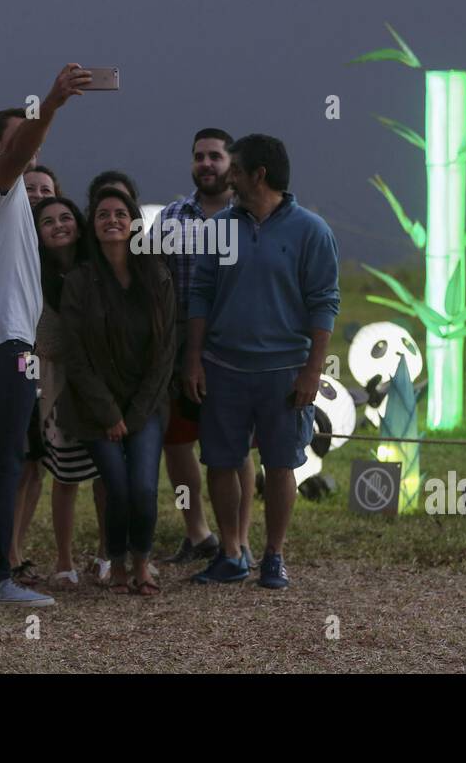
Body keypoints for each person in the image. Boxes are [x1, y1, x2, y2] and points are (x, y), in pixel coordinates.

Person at [0, 63, 90, 607]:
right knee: (4, 458)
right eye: (19, 133)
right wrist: (51, 102)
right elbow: (21, 150)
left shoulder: (6, 203)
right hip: (1, 342)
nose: (30, 145)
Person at [183, 134, 340, 589]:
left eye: (234, 168)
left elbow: (324, 302)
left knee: (281, 464)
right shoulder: (222, 228)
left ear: (259, 174)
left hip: (285, 371)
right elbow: (201, 295)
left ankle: (274, 554)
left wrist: (313, 370)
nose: (226, 175)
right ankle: (231, 552)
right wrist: (193, 360)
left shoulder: (312, 230)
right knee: (220, 460)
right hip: (223, 367)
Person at [59, 186, 175, 595]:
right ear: (94, 225)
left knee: (144, 486)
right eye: (104, 214)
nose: (112, 220)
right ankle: (118, 562)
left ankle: (143, 562)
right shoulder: (79, 282)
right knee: (117, 487)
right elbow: (74, 355)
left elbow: (165, 354)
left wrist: (137, 414)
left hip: (146, 405)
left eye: (121, 214)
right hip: (96, 409)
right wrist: (109, 413)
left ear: (133, 224)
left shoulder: (157, 276)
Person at [153, 128, 257, 568]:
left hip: (234, 348)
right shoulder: (172, 217)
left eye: (215, 156)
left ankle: (242, 539)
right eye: (199, 156)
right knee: (176, 443)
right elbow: (152, 282)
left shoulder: (253, 215)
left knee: (236, 449)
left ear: (230, 163)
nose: (206, 164)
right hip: (178, 349)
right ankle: (198, 532)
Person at [32, 194, 110, 586]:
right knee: (65, 477)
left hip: (104, 391)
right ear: (38, 234)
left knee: (106, 475)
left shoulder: (99, 270)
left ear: (79, 226)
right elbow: (48, 342)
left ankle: (105, 555)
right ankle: (63, 561)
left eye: (66, 218)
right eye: (48, 222)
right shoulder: (34, 281)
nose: (59, 225)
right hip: (60, 390)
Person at [9, 161, 64, 586]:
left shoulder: (62, 248)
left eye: (46, 188)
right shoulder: (4, 237)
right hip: (15, 358)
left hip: (51, 366)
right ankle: (4, 548)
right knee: (16, 456)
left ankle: (17, 547)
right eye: (30, 188)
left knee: (38, 460)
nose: (38, 194)